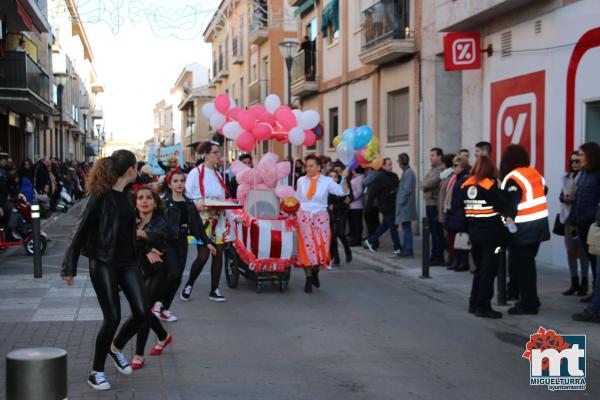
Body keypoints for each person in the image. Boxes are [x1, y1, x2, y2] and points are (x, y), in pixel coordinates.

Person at [61, 150, 151, 391]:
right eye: (136, 166)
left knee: (143, 311)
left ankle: (115, 348)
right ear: (130, 169)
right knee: (112, 317)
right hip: (103, 262)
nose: (138, 170)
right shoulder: (100, 196)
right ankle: (96, 372)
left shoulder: (128, 196)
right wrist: (69, 267)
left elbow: (125, 232)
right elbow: (79, 232)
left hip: (128, 262)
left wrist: (145, 248)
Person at [155, 169, 216, 321]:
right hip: (167, 243)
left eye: (182, 181)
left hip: (181, 242)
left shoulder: (189, 203)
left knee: (177, 278)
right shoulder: (163, 203)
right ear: (169, 185)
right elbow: (156, 223)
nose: (179, 184)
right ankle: (157, 303)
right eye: (175, 181)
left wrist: (207, 242)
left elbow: (197, 226)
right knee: (173, 274)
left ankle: (164, 309)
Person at [500, 144, 550, 315]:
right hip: (539, 225)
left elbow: (510, 208)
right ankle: (532, 299)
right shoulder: (533, 173)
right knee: (528, 264)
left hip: (523, 229)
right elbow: (544, 191)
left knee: (523, 267)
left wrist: (507, 229)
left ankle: (528, 304)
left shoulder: (513, 178)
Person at [182, 141, 231, 302]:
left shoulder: (218, 174)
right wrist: (197, 203)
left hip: (218, 217)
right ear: (206, 154)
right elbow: (187, 196)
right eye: (216, 152)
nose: (219, 156)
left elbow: (222, 196)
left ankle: (214, 289)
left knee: (218, 254)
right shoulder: (195, 173)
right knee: (203, 256)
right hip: (202, 219)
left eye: (219, 152)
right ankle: (189, 284)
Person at [130, 185, 172, 370]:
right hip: (138, 271)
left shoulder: (160, 221)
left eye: (149, 198)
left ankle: (139, 354)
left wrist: (140, 235)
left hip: (159, 270)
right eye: (141, 198)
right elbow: (126, 245)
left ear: (155, 203)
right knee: (143, 310)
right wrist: (145, 249)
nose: (145, 201)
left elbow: (157, 236)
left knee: (143, 310)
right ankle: (163, 336)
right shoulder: (131, 220)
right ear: (135, 202)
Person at [295, 155, 350, 293]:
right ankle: (308, 279)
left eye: (311, 166)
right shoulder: (301, 180)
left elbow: (342, 192)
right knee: (307, 250)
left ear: (319, 167)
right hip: (304, 216)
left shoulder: (327, 181)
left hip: (321, 218)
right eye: (306, 166)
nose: (308, 168)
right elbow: (298, 199)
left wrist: (344, 178)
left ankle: (315, 273)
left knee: (321, 248)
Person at [461, 156, 507, 319]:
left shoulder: (466, 185)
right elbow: (502, 205)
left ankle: (473, 303)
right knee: (488, 271)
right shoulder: (489, 185)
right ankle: (483, 306)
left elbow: (460, 208)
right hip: (491, 234)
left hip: (474, 233)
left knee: (479, 270)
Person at [572, 142, 600, 322]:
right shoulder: (583, 175)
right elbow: (578, 198)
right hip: (583, 225)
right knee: (593, 262)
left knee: (598, 264)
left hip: (594, 226)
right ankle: (595, 294)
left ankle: (595, 307)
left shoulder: (598, 175)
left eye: (582, 155)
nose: (578, 158)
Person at [560, 151, 589, 296]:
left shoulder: (585, 177)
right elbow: (561, 196)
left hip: (581, 218)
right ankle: (574, 281)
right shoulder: (567, 177)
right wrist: (565, 199)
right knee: (571, 251)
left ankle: (584, 282)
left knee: (583, 252)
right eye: (573, 161)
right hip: (568, 218)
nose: (575, 164)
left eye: (578, 161)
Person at [363, 158, 401, 254]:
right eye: (388, 164)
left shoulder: (394, 176)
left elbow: (397, 188)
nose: (391, 166)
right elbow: (372, 193)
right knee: (393, 227)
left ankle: (370, 240)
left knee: (385, 226)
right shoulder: (380, 177)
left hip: (394, 205)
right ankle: (397, 247)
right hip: (385, 206)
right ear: (383, 166)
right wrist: (367, 207)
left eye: (391, 164)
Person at [443, 155, 470, 271]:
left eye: (456, 166)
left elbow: (462, 197)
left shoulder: (464, 178)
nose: (454, 168)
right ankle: (456, 260)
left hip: (460, 213)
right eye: (453, 165)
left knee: (461, 239)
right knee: (455, 239)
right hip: (454, 212)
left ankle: (462, 262)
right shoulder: (456, 178)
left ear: (462, 166)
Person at [421, 147, 446, 265]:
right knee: (431, 231)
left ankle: (438, 256)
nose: (431, 158)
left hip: (435, 203)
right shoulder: (432, 169)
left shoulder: (442, 169)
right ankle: (433, 254)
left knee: (437, 231)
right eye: (430, 155)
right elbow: (424, 182)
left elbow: (431, 182)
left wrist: (425, 185)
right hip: (429, 203)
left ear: (440, 156)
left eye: (433, 155)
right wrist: (425, 184)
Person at [327, 170, 353, 266]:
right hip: (331, 215)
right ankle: (335, 258)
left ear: (338, 178)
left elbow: (349, 199)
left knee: (341, 234)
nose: (333, 179)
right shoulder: (327, 188)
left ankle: (347, 250)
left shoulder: (342, 187)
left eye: (335, 177)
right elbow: (327, 204)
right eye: (331, 176)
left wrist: (336, 206)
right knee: (333, 237)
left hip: (342, 213)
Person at [395, 153, 416, 257]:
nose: (398, 163)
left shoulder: (408, 173)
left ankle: (408, 249)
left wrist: (401, 202)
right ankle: (406, 248)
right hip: (405, 205)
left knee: (407, 228)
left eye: (398, 161)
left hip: (406, 205)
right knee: (405, 227)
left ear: (402, 161)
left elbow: (407, 190)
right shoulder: (407, 172)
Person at [438, 153, 455, 266]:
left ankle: (452, 257)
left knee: (449, 237)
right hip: (443, 209)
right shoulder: (445, 175)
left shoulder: (450, 176)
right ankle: (450, 257)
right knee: (446, 236)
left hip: (447, 209)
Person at [362, 167, 381, 249]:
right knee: (373, 223)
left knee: (371, 223)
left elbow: (364, 182)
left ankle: (373, 242)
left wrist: (369, 174)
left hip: (372, 203)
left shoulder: (374, 173)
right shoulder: (376, 173)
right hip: (373, 202)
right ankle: (372, 241)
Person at [348, 167, 365, 247]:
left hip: (356, 204)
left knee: (356, 223)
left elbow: (359, 191)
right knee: (355, 223)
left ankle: (357, 240)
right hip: (353, 204)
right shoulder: (357, 177)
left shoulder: (358, 178)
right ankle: (355, 239)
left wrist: (351, 199)